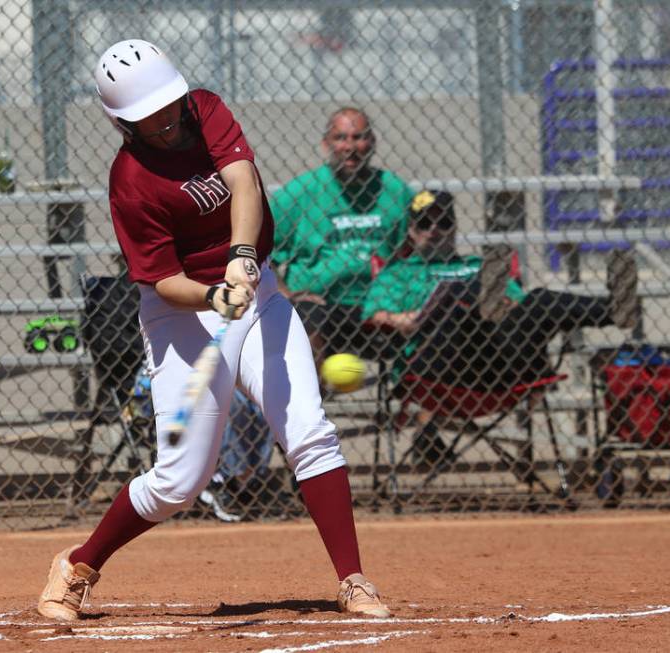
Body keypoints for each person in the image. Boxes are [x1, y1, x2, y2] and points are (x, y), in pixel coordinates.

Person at [37, 39, 390, 621]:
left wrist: (244, 257)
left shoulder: (204, 108)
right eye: (150, 113)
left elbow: (244, 184)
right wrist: (212, 293)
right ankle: (79, 563)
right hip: (182, 314)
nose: (168, 118)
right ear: (124, 121)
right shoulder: (130, 180)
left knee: (308, 429)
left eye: (168, 102)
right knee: (180, 481)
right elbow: (164, 280)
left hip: (256, 295)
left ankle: (353, 580)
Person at [361, 190, 639, 462]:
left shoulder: (477, 265)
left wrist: (506, 305)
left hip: (499, 366)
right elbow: (373, 316)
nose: (434, 230)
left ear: (455, 228)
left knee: (538, 299)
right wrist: (406, 319)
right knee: (457, 299)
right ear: (411, 231)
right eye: (425, 223)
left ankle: (615, 309)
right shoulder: (397, 273)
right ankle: (471, 303)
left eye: (444, 222)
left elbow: (519, 306)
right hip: (436, 369)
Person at [270, 107, 415, 367]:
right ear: (326, 144)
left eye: (359, 137)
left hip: (381, 305)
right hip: (320, 306)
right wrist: (285, 294)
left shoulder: (396, 191)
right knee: (303, 317)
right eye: (340, 138)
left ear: (372, 143)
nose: (350, 146)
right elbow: (257, 249)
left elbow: (415, 251)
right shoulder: (301, 192)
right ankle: (313, 399)